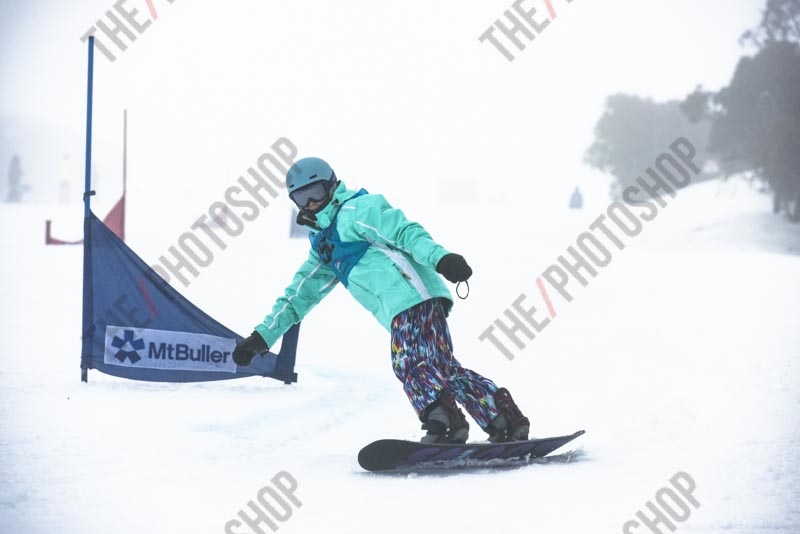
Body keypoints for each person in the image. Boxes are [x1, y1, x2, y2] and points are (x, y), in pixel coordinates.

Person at [232, 157, 530, 444]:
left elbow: (405, 232)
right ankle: (501, 417)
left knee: (409, 362)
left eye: (316, 192)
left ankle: (445, 423)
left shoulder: (357, 209)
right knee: (443, 369)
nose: (310, 203)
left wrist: (441, 258)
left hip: (410, 295)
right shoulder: (324, 247)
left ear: (331, 185)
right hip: (414, 303)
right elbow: (299, 295)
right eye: (301, 197)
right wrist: (262, 337)